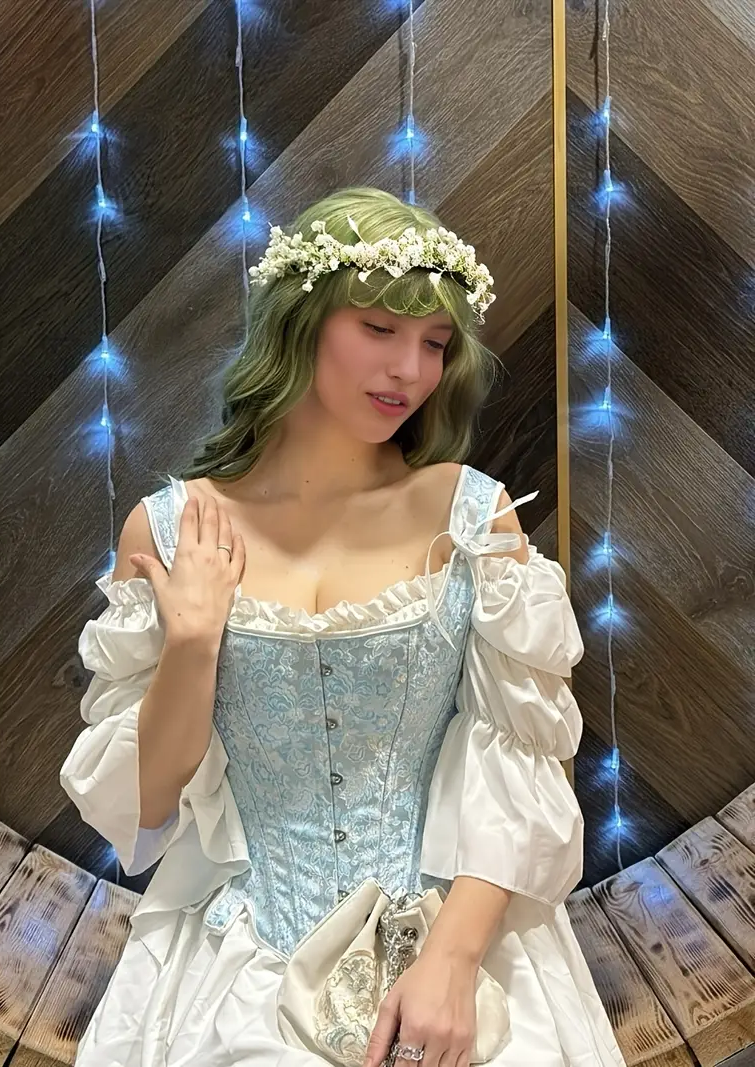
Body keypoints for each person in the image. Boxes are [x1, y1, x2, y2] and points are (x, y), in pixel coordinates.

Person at [60, 186, 627, 1067]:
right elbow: (149, 808)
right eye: (379, 328)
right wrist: (192, 643)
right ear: (301, 322)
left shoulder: (471, 517)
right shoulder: (172, 531)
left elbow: (519, 762)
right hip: (242, 957)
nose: (410, 369)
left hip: (453, 938)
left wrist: (451, 962)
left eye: (434, 344)